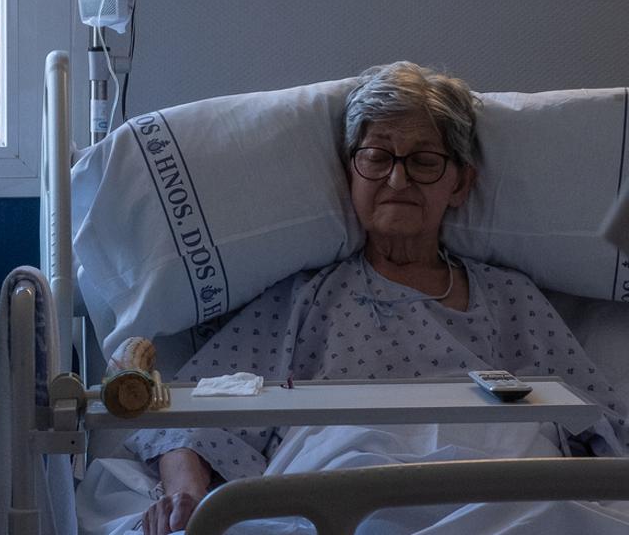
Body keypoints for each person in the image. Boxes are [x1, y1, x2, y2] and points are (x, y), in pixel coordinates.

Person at [130, 61, 629, 535]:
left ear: (461, 183)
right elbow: (190, 416)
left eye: (425, 161)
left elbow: (602, 422)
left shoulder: (510, 298)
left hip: (498, 488)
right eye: (377, 156)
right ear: (350, 173)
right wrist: (185, 495)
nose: (397, 179)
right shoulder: (305, 300)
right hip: (345, 487)